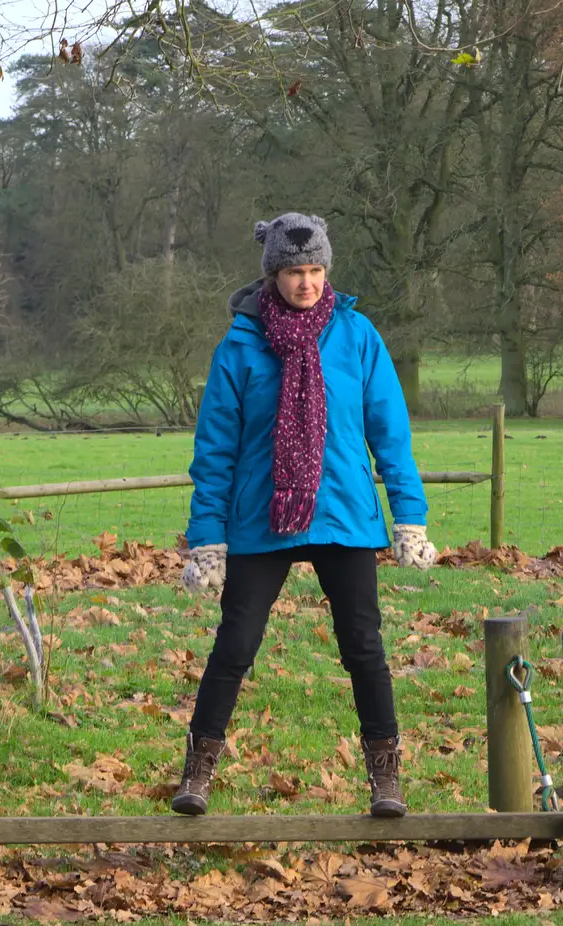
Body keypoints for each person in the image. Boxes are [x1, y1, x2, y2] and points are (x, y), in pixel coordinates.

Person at [173, 212, 438, 819]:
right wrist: (208, 539)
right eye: (295, 271)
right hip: (261, 518)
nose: (307, 283)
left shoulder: (357, 335)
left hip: (343, 513)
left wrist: (409, 517)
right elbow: (214, 451)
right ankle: (197, 771)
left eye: (316, 270)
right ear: (273, 275)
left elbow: (390, 434)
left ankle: (385, 777)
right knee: (234, 644)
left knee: (363, 645)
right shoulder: (240, 345)